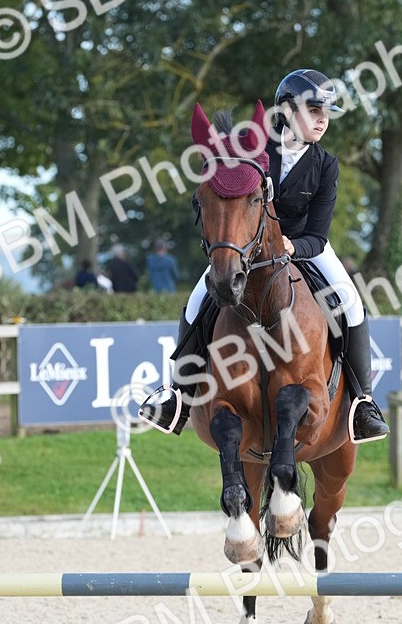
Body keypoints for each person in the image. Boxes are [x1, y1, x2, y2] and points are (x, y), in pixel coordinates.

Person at [139, 68, 389, 443]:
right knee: (197, 301)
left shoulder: (325, 165)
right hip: (247, 247)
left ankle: (364, 403)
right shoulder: (255, 147)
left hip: (304, 246)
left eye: (326, 112)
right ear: (286, 110)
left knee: (351, 302)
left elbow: (318, 234)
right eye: (313, 110)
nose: (322, 120)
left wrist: (291, 247)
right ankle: (177, 395)